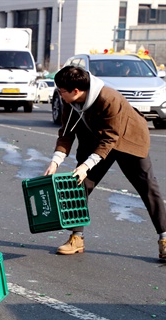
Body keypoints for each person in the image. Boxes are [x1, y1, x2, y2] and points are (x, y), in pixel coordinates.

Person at [44, 66, 166, 260]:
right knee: (79, 184)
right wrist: (55, 161)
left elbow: (111, 139)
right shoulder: (70, 102)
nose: (59, 94)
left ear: (76, 91)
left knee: (148, 187)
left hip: (128, 139)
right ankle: (77, 238)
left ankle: (165, 238)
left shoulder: (109, 98)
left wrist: (86, 165)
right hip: (95, 139)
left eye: (62, 91)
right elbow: (66, 133)